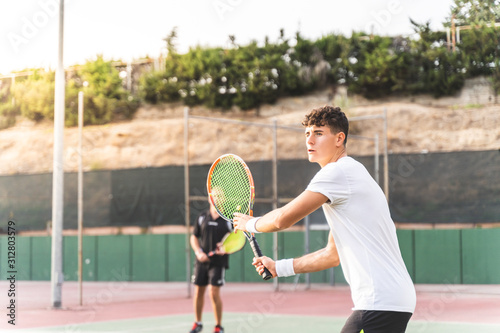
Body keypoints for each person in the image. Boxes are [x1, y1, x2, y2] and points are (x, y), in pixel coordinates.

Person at [233, 105, 416, 333]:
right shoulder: (351, 175)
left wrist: (249, 223)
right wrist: (279, 268)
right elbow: (331, 255)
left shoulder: (338, 173)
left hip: (379, 301)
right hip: (390, 300)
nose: (310, 141)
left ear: (339, 138)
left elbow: (283, 219)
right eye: (307, 134)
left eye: (318, 133)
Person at [189, 197, 232, 333]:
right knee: (198, 292)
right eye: (214, 197)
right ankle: (198, 323)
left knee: (213, 292)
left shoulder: (228, 220)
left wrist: (225, 248)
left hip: (218, 262)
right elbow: (194, 236)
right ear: (209, 198)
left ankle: (218, 326)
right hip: (201, 261)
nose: (217, 200)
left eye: (220, 197)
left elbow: (237, 241)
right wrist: (198, 252)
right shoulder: (202, 217)